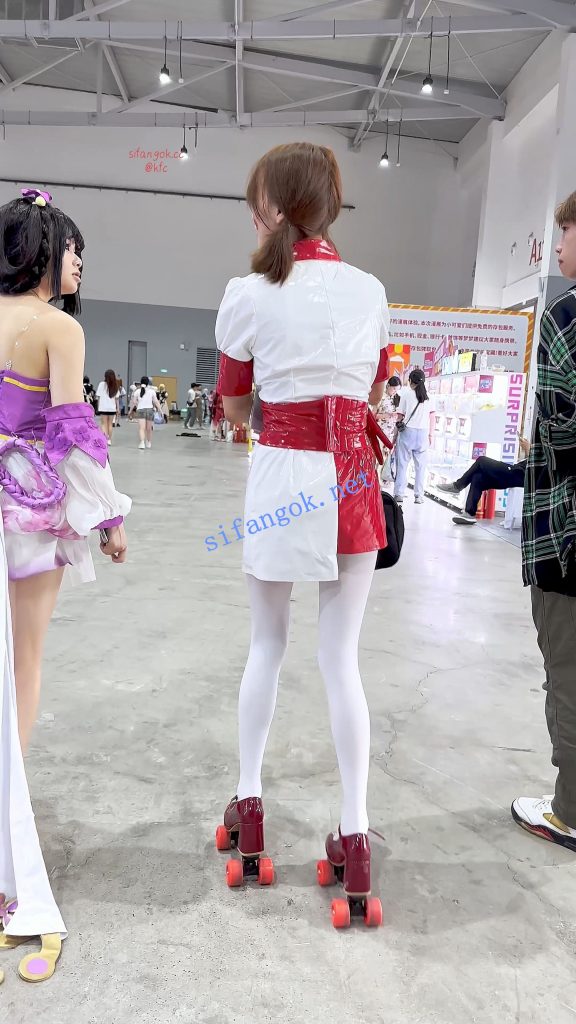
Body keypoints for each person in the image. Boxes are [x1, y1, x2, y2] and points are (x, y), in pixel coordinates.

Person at [215, 142, 391, 922]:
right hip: (352, 480)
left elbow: (233, 402)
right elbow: (374, 391)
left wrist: (270, 414)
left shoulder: (248, 293)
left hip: (285, 474)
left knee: (267, 645)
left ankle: (250, 808)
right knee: (340, 659)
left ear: (273, 207)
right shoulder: (370, 290)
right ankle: (355, 837)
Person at [0, 187, 130, 976]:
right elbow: (73, 432)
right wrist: (109, 517)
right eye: (74, 248)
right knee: (24, 664)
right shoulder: (59, 328)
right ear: (45, 251)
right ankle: (6, 830)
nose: (80, 262)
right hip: (25, 508)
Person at [512, 191, 576, 850]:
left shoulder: (568, 316)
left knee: (568, 671)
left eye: (566, 231)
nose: (557, 245)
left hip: (567, 533)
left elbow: (560, 430)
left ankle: (570, 810)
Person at [438, 441, 530, 524]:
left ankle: (457, 486)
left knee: (482, 460)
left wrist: (528, 448)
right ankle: (469, 514)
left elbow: (536, 465)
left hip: (519, 474)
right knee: (478, 477)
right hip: (516, 473)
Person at [393, 368, 435, 505]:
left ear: (410, 381)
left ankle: (399, 493)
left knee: (402, 464)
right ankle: (419, 496)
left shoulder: (406, 394)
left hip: (407, 432)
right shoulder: (429, 397)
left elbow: (400, 416)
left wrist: (395, 435)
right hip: (423, 433)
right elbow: (432, 417)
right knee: (421, 467)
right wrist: (431, 435)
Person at [375, 375, 401, 484]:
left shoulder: (396, 399)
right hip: (379, 434)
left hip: (390, 435)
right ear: (388, 386)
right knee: (377, 459)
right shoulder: (380, 397)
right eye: (394, 388)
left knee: (385, 460)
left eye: (397, 389)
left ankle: (380, 483)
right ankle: (375, 483)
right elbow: (373, 415)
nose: (395, 391)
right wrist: (388, 415)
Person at [129, 374, 162, 449]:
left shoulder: (137, 391)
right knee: (149, 428)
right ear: (148, 383)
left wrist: (130, 410)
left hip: (140, 410)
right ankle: (149, 442)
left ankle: (142, 443)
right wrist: (160, 410)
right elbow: (156, 402)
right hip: (150, 410)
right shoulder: (152, 391)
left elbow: (134, 402)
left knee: (142, 428)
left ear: (141, 382)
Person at [95, 369, 120, 445]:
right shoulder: (115, 385)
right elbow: (117, 399)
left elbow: (98, 397)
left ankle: (105, 439)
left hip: (103, 407)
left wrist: (98, 407)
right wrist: (118, 409)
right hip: (112, 408)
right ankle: (109, 440)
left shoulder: (101, 384)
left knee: (103, 424)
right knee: (110, 424)